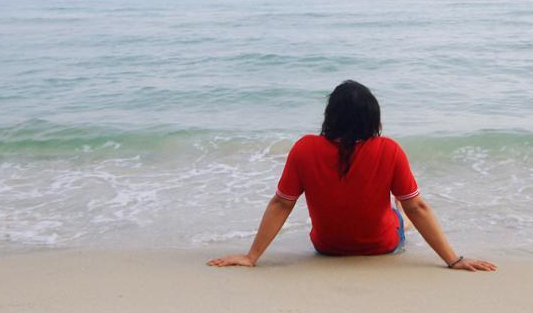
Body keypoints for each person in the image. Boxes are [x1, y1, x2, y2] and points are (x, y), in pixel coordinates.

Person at [208, 80, 496, 272]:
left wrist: (251, 257)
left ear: (330, 115)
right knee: (404, 206)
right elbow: (418, 207)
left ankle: (397, 215)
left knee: (398, 203)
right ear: (373, 117)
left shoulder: (304, 148)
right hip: (382, 247)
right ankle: (399, 219)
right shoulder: (390, 149)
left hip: (326, 248)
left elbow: (281, 204)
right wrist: (454, 260)